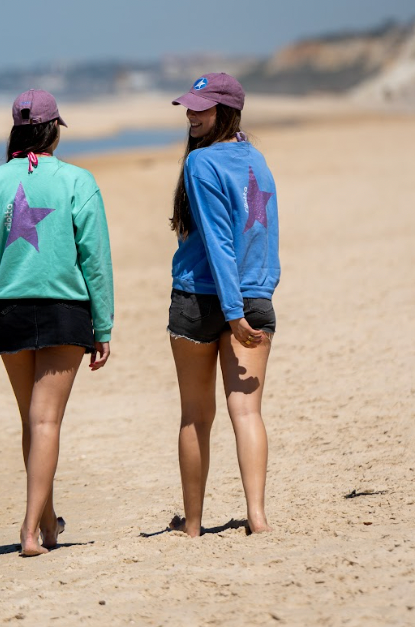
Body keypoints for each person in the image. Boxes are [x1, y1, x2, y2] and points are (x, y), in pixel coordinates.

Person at [0, 89, 114, 556]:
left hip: (9, 312)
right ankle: (30, 531)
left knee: (33, 421)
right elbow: (96, 260)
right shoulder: (78, 180)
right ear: (53, 130)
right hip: (65, 311)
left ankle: (49, 526)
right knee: (46, 420)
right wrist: (103, 326)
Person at [166, 72, 280, 536]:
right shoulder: (258, 160)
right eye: (189, 107)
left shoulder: (200, 164)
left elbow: (216, 243)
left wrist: (233, 311)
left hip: (202, 297)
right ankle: (257, 517)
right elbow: (264, 237)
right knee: (247, 411)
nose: (192, 114)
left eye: (202, 107)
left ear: (226, 111)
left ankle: (192, 526)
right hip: (253, 297)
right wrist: (260, 293)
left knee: (197, 415)